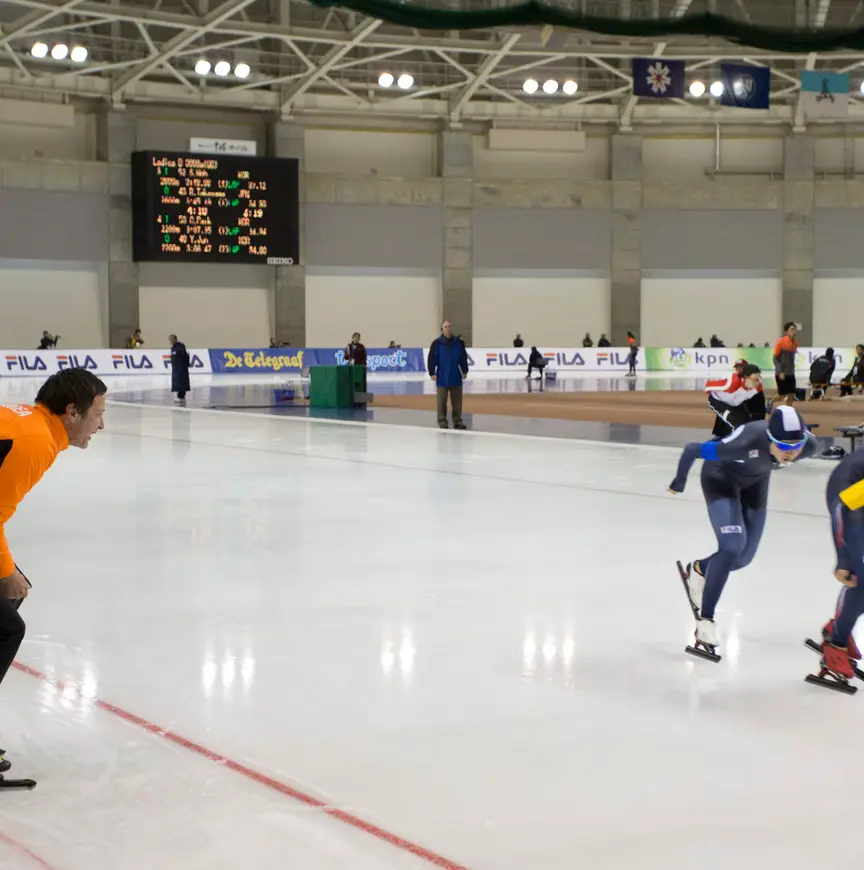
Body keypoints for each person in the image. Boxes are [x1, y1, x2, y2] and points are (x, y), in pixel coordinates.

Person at [0, 369, 106, 785]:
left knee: (9, 598)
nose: (102, 425)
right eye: (97, 414)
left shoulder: (29, 423)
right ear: (72, 411)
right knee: (7, 626)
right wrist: (6, 571)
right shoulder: (35, 442)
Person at [668, 406, 817, 660]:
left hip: (756, 482)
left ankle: (700, 569)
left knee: (744, 557)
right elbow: (692, 449)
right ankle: (706, 621)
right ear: (769, 439)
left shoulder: (809, 446)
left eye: (797, 446)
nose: (791, 453)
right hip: (720, 478)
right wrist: (678, 482)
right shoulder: (744, 443)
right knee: (732, 547)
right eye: (783, 446)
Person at [804, 449, 864, 690]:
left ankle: (837, 627)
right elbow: (842, 506)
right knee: (860, 575)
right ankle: (836, 645)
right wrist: (843, 559)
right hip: (848, 496)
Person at [705, 361, 765, 437]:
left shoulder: (758, 386)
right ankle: (728, 441)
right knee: (736, 424)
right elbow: (708, 385)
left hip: (735, 403)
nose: (757, 382)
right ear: (745, 377)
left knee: (749, 424)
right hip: (719, 402)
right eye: (755, 379)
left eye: (758, 378)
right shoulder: (733, 383)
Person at [428, 321, 468, 430]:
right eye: (446, 327)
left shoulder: (459, 343)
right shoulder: (436, 343)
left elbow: (463, 358)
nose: (448, 328)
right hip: (442, 377)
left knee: (457, 402)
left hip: (456, 376)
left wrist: (465, 371)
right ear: (442, 329)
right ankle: (442, 421)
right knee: (441, 402)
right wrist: (432, 372)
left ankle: (457, 421)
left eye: (449, 326)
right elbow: (431, 358)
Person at [773, 322, 799, 405]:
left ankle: (789, 410)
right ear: (786, 332)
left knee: (791, 394)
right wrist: (780, 371)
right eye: (792, 329)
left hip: (791, 372)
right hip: (782, 372)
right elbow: (775, 358)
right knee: (782, 394)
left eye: (795, 329)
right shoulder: (780, 342)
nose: (794, 331)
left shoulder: (795, 343)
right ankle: (770, 402)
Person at [169, 334, 190, 404]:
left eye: (172, 339)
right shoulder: (173, 348)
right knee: (177, 383)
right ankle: (180, 396)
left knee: (181, 383)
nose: (171, 341)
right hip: (176, 369)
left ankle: (181, 396)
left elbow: (185, 356)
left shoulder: (180, 348)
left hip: (181, 368)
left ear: (175, 339)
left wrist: (185, 365)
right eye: (170, 340)